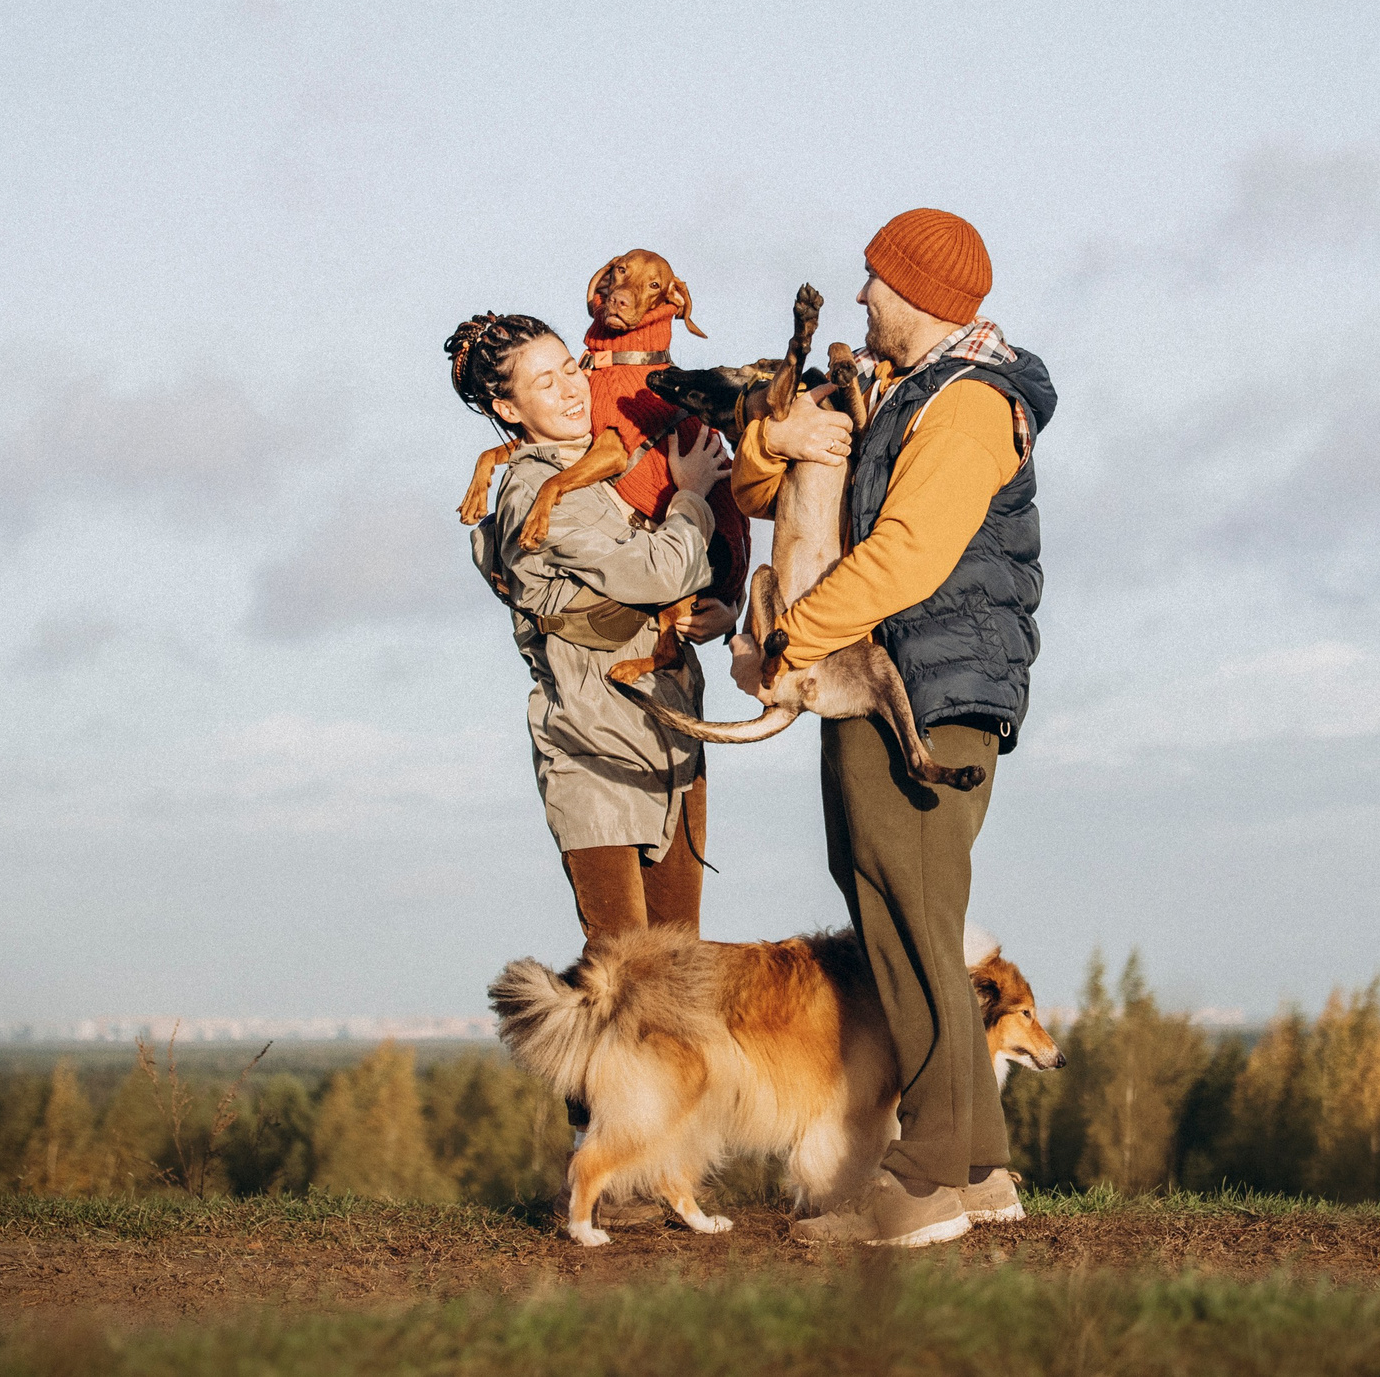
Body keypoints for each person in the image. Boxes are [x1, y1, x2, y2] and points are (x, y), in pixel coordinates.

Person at [725, 209, 1055, 1248]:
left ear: (917, 292)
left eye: (874, 279)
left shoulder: (963, 406)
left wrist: (793, 638)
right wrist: (771, 439)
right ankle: (981, 1167)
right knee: (899, 913)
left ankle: (921, 1181)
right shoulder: (900, 393)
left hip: (927, 687)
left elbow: (908, 555)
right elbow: (765, 489)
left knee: (909, 928)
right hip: (890, 682)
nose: (861, 295)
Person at [444, 312, 736, 958]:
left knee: (681, 965)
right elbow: (659, 570)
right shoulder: (537, 491)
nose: (572, 390)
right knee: (627, 972)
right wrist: (692, 495)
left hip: (673, 739)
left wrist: (721, 616)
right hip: (590, 748)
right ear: (507, 407)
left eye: (570, 369)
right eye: (545, 384)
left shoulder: (621, 464)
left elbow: (679, 587)